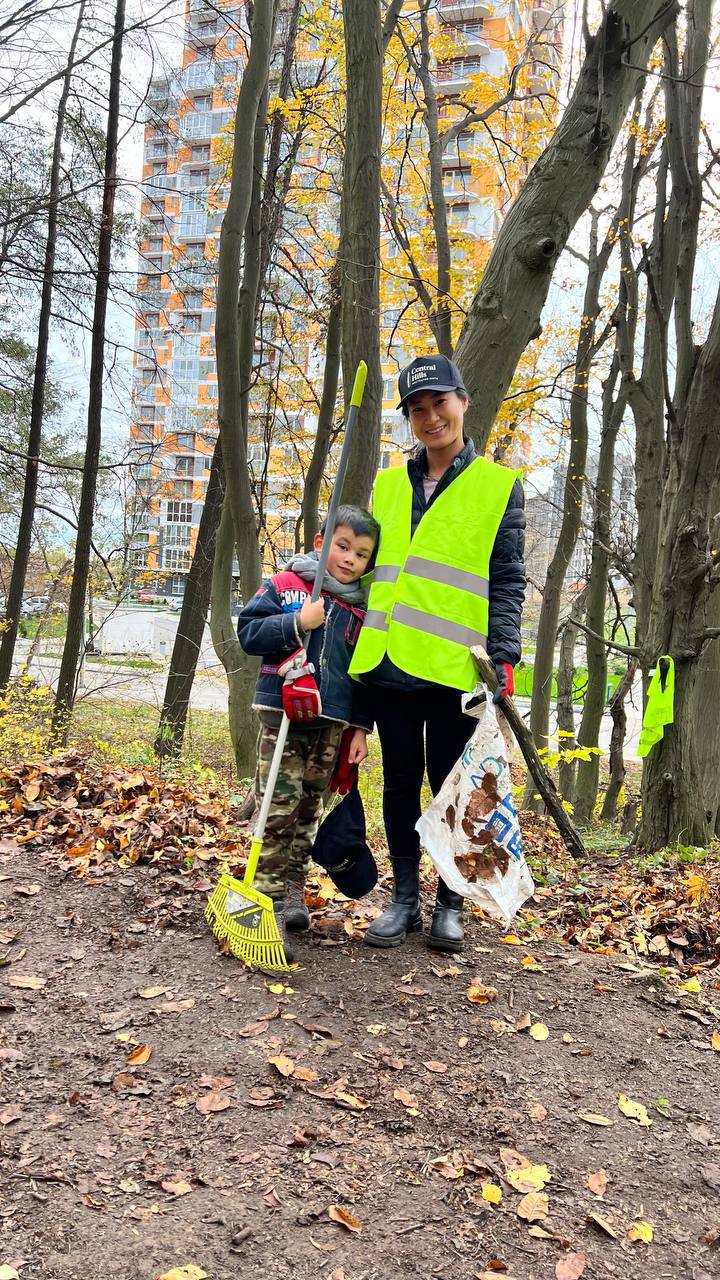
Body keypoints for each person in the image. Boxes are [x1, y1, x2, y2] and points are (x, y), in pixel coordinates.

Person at [349, 354, 525, 954]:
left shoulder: (498, 486)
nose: (430, 418)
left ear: (462, 402)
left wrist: (503, 655)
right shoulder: (386, 483)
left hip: (455, 668)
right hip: (390, 663)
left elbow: (507, 578)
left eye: (439, 403)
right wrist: (317, 570)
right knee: (399, 784)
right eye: (417, 409)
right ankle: (403, 900)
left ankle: (449, 903)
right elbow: (365, 563)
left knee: (453, 790)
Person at [237, 505, 379, 960]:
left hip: (332, 721)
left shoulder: (360, 610)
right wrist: (298, 622)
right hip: (284, 714)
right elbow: (249, 632)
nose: (349, 559)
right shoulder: (287, 586)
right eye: (341, 547)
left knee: (309, 806)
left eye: (361, 554)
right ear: (320, 544)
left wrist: (359, 727)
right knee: (279, 805)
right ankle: (264, 899)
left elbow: (362, 675)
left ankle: (293, 885)